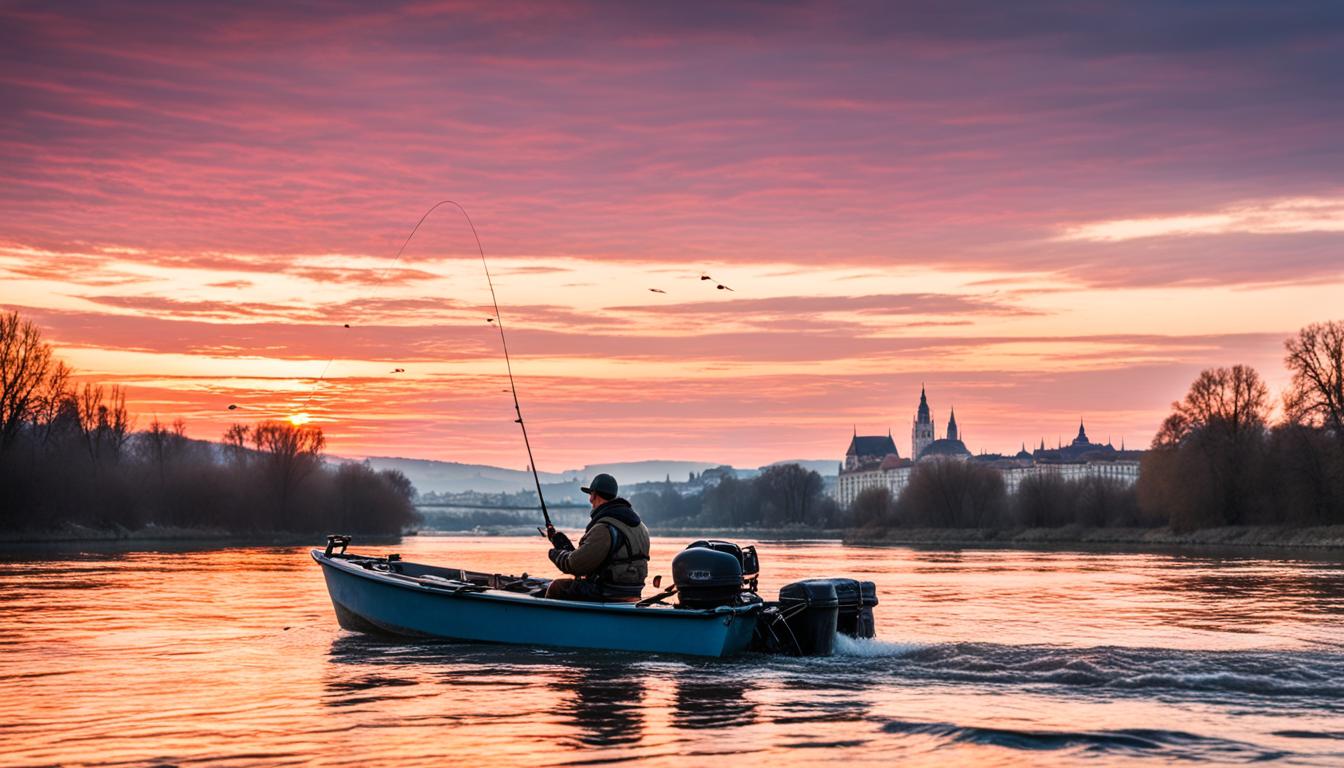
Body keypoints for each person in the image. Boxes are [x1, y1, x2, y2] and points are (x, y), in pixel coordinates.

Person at [545, 473, 650, 601]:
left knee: (556, 587)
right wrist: (559, 542)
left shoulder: (604, 528)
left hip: (608, 591)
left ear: (594, 495)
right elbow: (591, 560)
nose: (590, 500)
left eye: (590, 495)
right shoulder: (639, 526)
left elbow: (576, 566)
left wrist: (555, 554)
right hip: (633, 590)